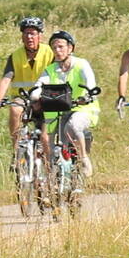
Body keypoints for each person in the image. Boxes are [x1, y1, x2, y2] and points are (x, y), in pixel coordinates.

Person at [33, 31, 99, 177]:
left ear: (70, 48)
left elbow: (90, 83)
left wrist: (88, 95)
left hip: (82, 108)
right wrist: (35, 96)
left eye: (61, 47)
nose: (57, 50)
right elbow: (39, 84)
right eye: (54, 48)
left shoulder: (81, 64)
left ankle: (84, 159)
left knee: (72, 126)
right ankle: (52, 184)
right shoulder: (50, 69)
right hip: (59, 111)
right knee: (50, 147)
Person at [0, 17, 55, 141]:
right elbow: (6, 79)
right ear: (22, 36)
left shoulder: (50, 52)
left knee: (45, 137)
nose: (29, 37)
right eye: (26, 33)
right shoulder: (15, 56)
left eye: (33, 33)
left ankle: (47, 158)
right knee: (15, 109)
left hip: (45, 97)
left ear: (40, 36)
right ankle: (17, 152)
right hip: (22, 97)